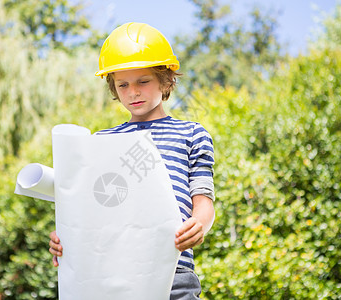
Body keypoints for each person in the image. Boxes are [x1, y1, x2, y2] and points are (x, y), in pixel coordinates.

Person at [48, 22, 215, 300]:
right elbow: (90, 206)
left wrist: (198, 225)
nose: (132, 92)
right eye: (122, 84)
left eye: (143, 81)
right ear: (113, 87)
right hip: (111, 273)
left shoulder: (192, 134)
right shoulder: (101, 141)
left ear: (166, 80)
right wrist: (65, 235)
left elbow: (204, 201)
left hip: (173, 273)